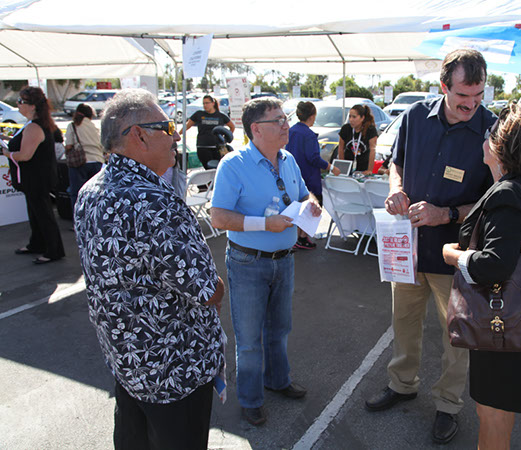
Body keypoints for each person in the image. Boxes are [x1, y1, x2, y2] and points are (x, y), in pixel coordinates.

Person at [73, 89, 226, 450]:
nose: (176, 135)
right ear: (138, 135)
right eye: (167, 126)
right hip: (174, 373)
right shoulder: (152, 200)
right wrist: (218, 285)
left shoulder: (90, 190)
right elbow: (207, 291)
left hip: (127, 362)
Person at [364, 49, 497, 444]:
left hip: (455, 255)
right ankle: (402, 384)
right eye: (463, 98)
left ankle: (447, 404)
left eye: (478, 97)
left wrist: (448, 214)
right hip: (406, 248)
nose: (471, 106)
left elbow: (495, 197)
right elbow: (396, 164)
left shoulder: (491, 130)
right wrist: (395, 191)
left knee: (455, 335)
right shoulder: (415, 117)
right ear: (443, 86)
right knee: (403, 322)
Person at [442, 102, 521, 449]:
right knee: (497, 407)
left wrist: (456, 255)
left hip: (501, 322)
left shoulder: (508, 193)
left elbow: (494, 264)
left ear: (500, 146)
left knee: (492, 411)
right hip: (515, 319)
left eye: (492, 133)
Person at [210, 98, 322, 426]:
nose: (286, 125)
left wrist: (312, 204)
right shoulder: (233, 164)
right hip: (248, 261)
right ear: (256, 129)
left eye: (285, 118)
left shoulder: (288, 159)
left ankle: (277, 380)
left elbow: (303, 194)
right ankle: (250, 398)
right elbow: (218, 217)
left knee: (279, 329)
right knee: (249, 338)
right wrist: (264, 223)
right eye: (278, 120)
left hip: (284, 259)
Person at [1, 86, 65, 264]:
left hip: (37, 179)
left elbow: (25, 155)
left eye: (21, 101)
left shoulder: (34, 127)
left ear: (32, 106)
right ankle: (37, 243)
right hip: (34, 179)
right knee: (36, 213)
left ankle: (53, 250)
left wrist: (6, 153)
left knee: (43, 215)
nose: (18, 104)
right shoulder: (32, 125)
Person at [286, 101, 340, 249]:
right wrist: (330, 167)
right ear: (313, 116)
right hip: (308, 176)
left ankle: (297, 237)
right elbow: (313, 158)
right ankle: (302, 237)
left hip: (292, 175)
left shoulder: (291, 131)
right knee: (312, 206)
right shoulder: (308, 135)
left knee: (297, 207)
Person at [64, 103, 106, 210]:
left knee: (77, 194)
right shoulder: (95, 126)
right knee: (95, 194)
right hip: (97, 161)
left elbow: (68, 145)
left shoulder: (73, 126)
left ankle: (78, 222)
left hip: (80, 162)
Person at [179, 95, 235, 169]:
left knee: (218, 168)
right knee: (208, 168)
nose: (205, 105)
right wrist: (178, 133)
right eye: (204, 103)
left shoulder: (221, 115)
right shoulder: (199, 114)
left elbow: (232, 126)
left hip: (217, 147)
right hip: (203, 146)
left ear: (213, 103)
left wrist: (226, 138)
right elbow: (187, 125)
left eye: (207, 103)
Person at [337, 104, 378, 173]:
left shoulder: (370, 130)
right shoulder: (345, 129)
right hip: (348, 165)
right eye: (350, 116)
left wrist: (369, 170)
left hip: (363, 167)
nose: (351, 120)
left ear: (362, 118)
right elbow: (341, 148)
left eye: (354, 117)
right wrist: (343, 167)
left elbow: (372, 151)